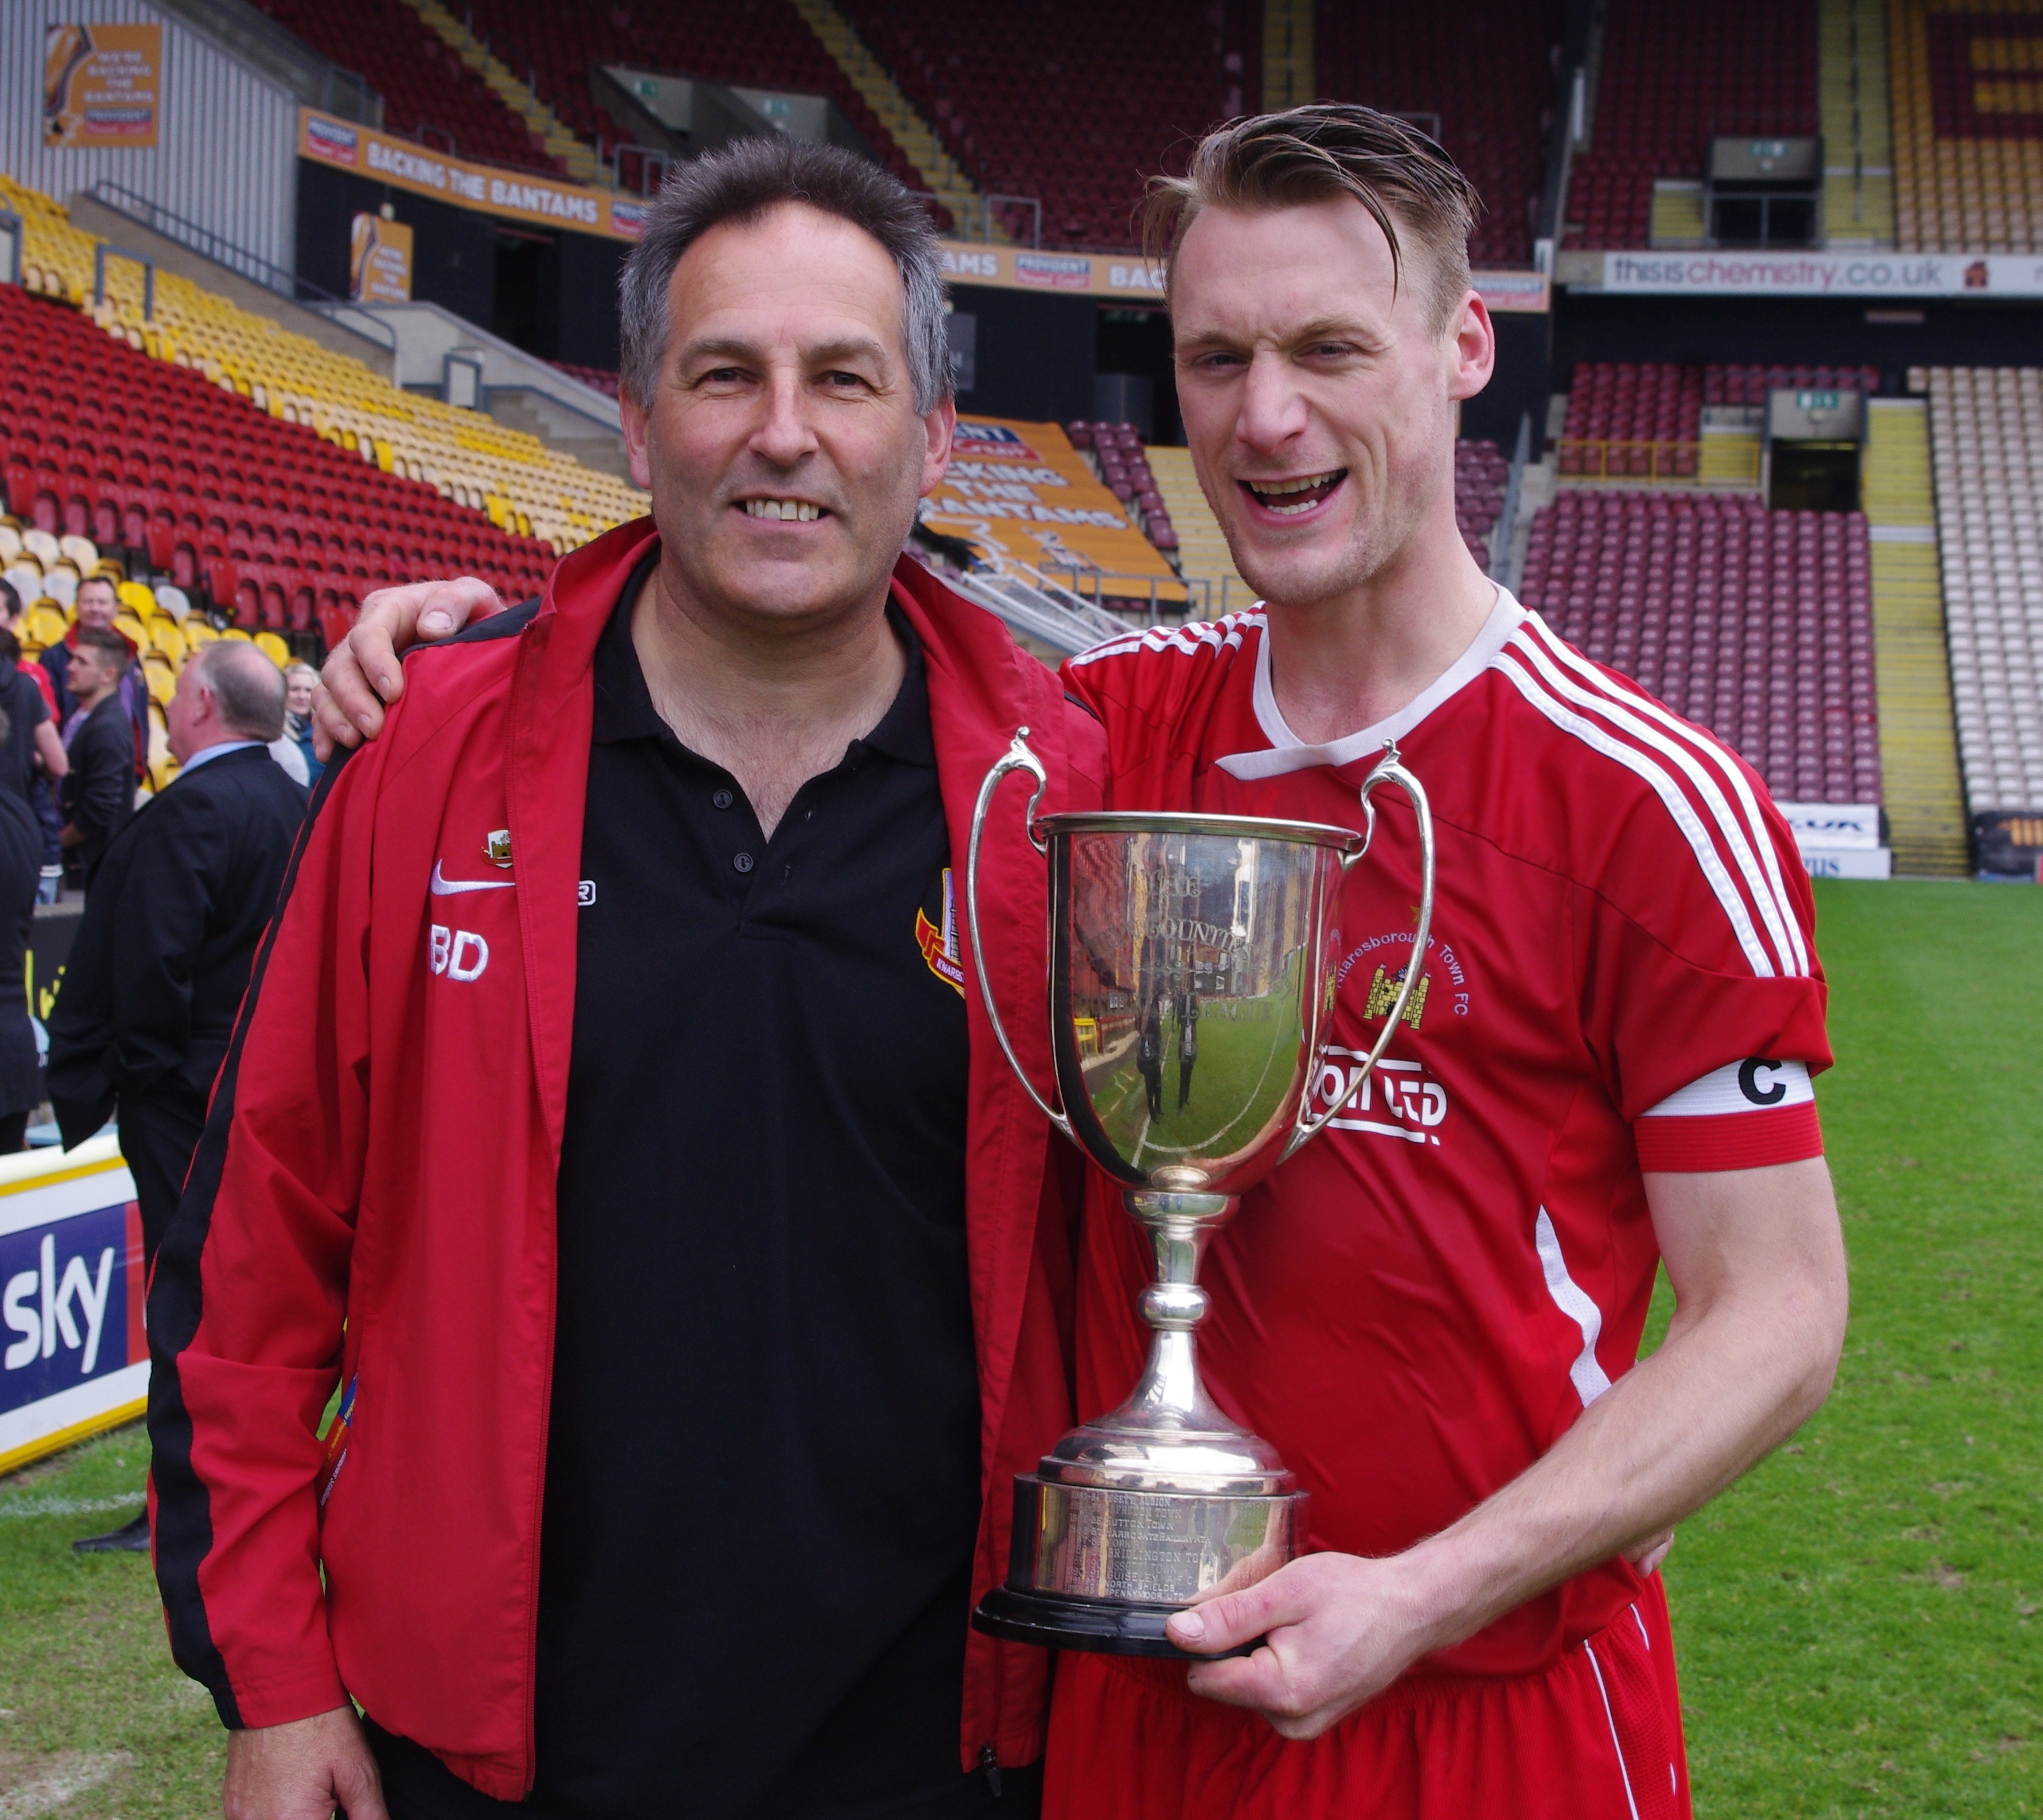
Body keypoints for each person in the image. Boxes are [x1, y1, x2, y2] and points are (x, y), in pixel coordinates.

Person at [336, 106, 1850, 1820]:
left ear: (1459, 349)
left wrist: (1418, 1590)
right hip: (1116, 1705)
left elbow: (1779, 1311)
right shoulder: (1090, 742)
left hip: (1466, 1708)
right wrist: (476, 645)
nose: (1264, 415)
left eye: (1327, 348)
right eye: (1215, 357)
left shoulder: (1644, 799)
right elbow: (788, 641)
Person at [150, 137, 1100, 1820]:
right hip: (486, 1758)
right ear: (640, 418)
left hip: (936, 1758)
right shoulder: (428, 751)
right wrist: (275, 1686)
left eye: (843, 379)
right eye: (723, 372)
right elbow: (254, 1256)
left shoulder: (1063, 799)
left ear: (933, 438)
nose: (782, 431)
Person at [49, 641, 306, 1554]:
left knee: (187, 1296)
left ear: (194, 702)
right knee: (250, 1301)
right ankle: (238, 1489)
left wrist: (151, 1078)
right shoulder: (295, 802)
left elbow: (151, 965)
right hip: (266, 1093)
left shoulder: (194, 808)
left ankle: (181, 1502)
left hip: (190, 1098)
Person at [44, 573, 147, 780]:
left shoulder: (131, 657)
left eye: (102, 602)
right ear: (77, 607)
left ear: (116, 608)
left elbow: (139, 715)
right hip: (71, 771)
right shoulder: (54, 657)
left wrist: (138, 767)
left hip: (123, 768)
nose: (95, 609)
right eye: (88, 602)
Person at [58, 625, 137, 888]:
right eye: (72, 659)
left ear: (108, 674)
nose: (70, 667)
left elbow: (99, 808)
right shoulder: (86, 717)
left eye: (82, 662)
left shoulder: (108, 728)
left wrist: (55, 842)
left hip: (89, 870)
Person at [283, 661, 323, 787]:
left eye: (308, 690)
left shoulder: (324, 731)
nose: (302, 696)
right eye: (295, 689)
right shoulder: (271, 732)